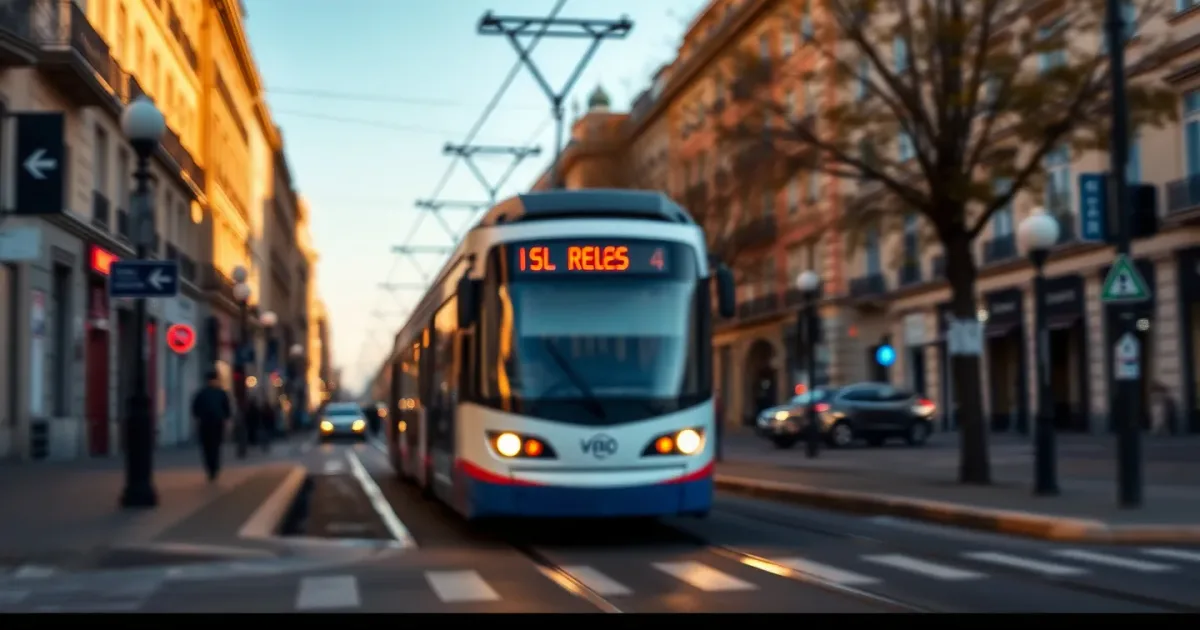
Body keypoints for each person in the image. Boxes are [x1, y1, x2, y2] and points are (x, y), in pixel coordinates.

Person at [192, 368, 233, 481]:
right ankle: (212, 468)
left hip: (211, 424)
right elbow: (227, 409)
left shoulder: (203, 394)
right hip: (212, 423)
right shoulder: (219, 393)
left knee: (211, 447)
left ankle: (212, 468)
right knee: (212, 447)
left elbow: (195, 409)